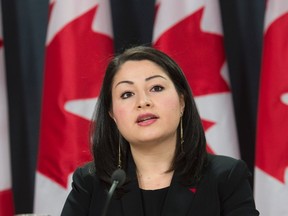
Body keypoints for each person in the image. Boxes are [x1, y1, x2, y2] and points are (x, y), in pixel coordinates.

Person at [61, 46, 259, 216]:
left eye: (156, 88)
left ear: (182, 102)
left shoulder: (226, 177)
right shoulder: (90, 182)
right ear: (112, 114)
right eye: (127, 94)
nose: (143, 102)